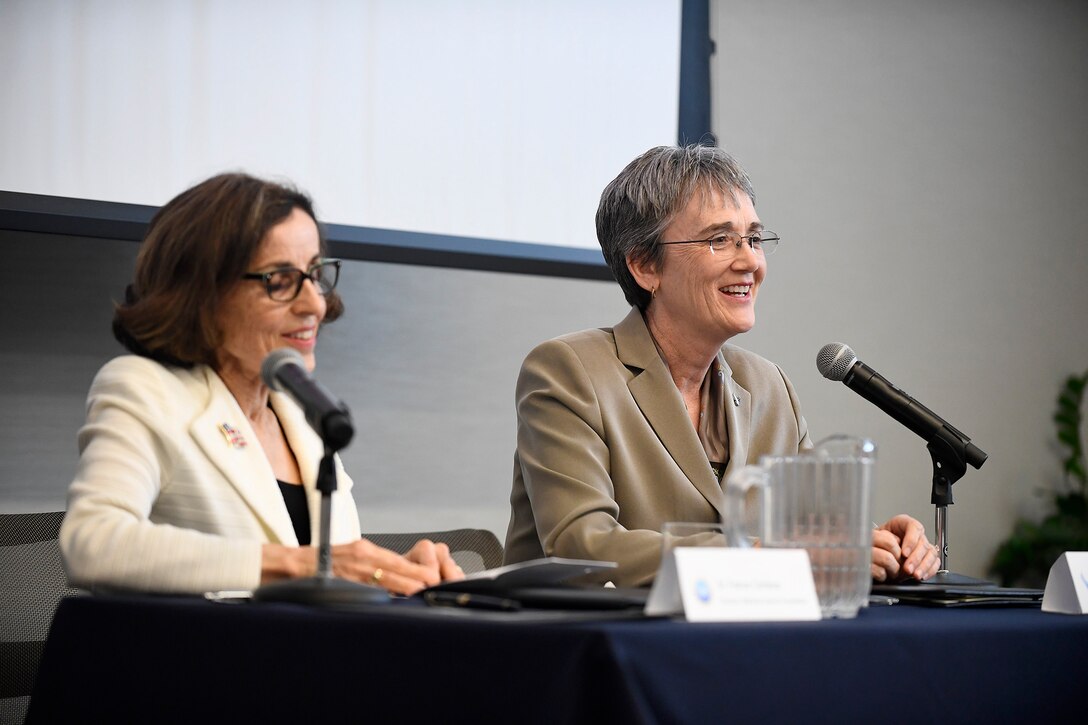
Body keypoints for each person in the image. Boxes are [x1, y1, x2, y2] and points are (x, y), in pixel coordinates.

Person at [503, 145, 941, 587]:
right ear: (643, 265)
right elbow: (584, 546)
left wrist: (882, 545)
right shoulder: (569, 371)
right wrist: (765, 557)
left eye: (753, 239)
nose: (750, 261)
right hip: (585, 644)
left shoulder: (769, 386)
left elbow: (816, 532)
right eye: (719, 240)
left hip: (731, 642)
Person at [61, 173, 463, 596]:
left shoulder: (304, 418)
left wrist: (396, 576)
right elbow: (92, 542)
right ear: (203, 292)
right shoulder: (146, 389)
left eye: (314, 274)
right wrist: (305, 566)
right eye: (279, 280)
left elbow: (319, 576)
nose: (315, 304)